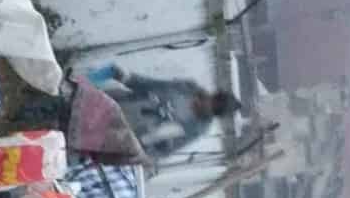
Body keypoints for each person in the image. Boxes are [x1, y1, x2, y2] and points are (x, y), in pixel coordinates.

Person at [94, 68, 242, 163]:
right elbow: (151, 84)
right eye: (213, 100)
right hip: (112, 103)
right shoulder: (187, 88)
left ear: (214, 114)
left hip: (116, 133)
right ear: (213, 96)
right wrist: (127, 78)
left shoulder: (196, 129)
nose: (208, 106)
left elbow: (162, 149)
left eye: (214, 109)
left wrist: (130, 153)